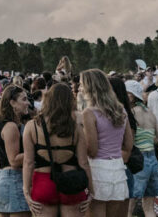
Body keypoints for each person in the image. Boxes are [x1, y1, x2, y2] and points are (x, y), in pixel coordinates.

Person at [23, 82, 92, 216]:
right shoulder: (75, 128)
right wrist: (91, 190)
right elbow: (84, 162)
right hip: (72, 182)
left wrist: (26, 190)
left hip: (43, 182)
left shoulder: (32, 126)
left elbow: (28, 162)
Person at [81, 69, 132, 216]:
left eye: (81, 84)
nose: (79, 88)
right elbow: (128, 144)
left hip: (97, 169)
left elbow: (92, 150)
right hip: (117, 168)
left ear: (90, 87)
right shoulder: (120, 110)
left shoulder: (89, 113)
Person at [125, 79, 158, 217]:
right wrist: (147, 140)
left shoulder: (132, 113)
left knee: (129, 209)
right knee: (149, 209)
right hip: (152, 159)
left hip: (138, 161)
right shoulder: (150, 113)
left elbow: (129, 139)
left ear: (131, 96)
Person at [0, 85, 30, 217]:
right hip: (13, 180)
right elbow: (14, 160)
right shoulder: (11, 126)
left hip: (3, 178)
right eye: (24, 99)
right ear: (12, 103)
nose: (28, 103)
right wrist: (35, 151)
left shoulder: (2, 124)